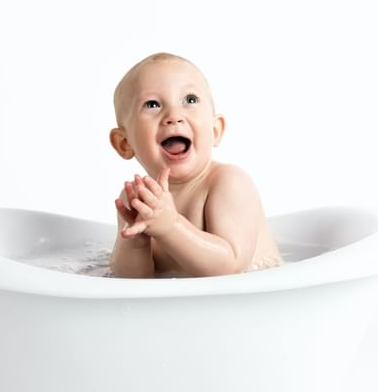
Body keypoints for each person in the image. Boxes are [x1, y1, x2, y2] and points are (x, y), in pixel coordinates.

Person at [109, 52, 282, 278]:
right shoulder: (138, 199)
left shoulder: (228, 183)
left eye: (190, 100)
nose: (174, 115)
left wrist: (171, 226)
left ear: (215, 130)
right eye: (152, 104)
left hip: (252, 301)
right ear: (124, 143)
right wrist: (135, 244)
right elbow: (131, 280)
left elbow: (231, 266)